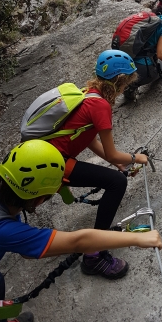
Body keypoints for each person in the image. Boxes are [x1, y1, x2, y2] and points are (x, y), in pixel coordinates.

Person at [0, 140, 162, 322]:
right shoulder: (3, 230)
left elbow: (26, 252)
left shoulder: (0, 200)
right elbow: (78, 241)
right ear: (38, 200)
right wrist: (137, 239)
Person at [45, 49, 150, 279]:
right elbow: (113, 153)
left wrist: (119, 164)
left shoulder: (88, 94)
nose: (125, 89)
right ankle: (94, 254)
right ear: (119, 81)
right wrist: (135, 158)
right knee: (116, 183)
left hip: (48, 157)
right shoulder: (101, 106)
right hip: (54, 163)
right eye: (126, 83)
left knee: (115, 177)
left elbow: (88, 138)